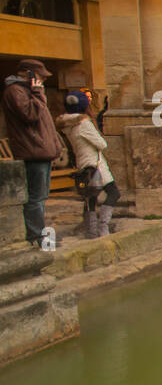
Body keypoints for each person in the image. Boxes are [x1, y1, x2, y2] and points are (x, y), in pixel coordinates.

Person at [2, 59, 60, 245]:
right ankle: (37, 236)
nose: (43, 80)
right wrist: (38, 92)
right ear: (29, 74)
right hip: (32, 151)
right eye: (40, 76)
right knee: (36, 198)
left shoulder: (28, 92)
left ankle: (40, 235)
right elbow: (30, 115)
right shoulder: (15, 91)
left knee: (40, 197)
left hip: (41, 151)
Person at [58, 90, 119, 239]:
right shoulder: (83, 123)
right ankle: (103, 226)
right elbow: (102, 144)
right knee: (114, 193)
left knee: (90, 197)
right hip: (95, 164)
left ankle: (91, 231)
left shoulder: (66, 125)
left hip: (82, 163)